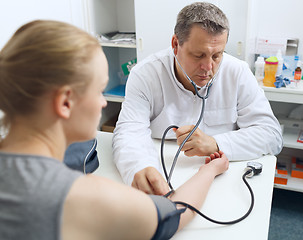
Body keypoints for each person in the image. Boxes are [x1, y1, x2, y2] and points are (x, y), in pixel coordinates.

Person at [0, 20, 229, 240]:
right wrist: (208, 171)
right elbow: (176, 211)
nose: (103, 103)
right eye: (99, 90)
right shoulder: (84, 197)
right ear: (65, 103)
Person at [113, 2, 283, 195]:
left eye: (217, 55)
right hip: (163, 171)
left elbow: (271, 135)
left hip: (224, 179)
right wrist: (140, 167)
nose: (208, 67)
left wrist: (216, 144)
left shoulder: (238, 72)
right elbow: (129, 132)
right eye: (198, 55)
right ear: (176, 45)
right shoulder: (145, 74)